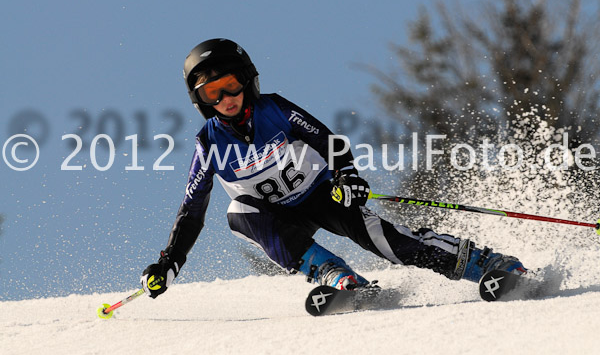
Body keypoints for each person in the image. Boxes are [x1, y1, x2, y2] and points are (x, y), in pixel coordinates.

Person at [141, 38, 527, 298]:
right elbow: (191, 212)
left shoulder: (274, 109)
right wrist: (169, 262)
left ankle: (483, 263)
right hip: (276, 217)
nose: (226, 98)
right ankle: (334, 275)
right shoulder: (208, 144)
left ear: (248, 81)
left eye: (231, 85)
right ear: (200, 100)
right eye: (213, 92)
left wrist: (348, 176)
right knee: (238, 212)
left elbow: (329, 142)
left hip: (323, 194)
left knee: (384, 240)